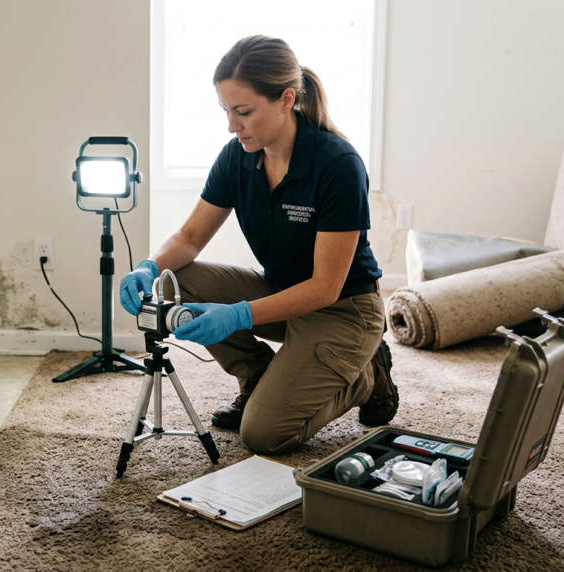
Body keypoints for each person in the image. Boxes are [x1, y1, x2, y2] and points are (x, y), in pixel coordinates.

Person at [119, 35, 398, 456]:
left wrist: (238, 315)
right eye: (227, 111)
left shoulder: (337, 165)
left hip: (342, 311)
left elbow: (325, 287)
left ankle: (367, 377)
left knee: (264, 435)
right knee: (182, 280)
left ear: (287, 99)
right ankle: (257, 378)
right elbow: (190, 238)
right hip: (283, 294)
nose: (233, 125)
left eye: (244, 112)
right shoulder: (237, 157)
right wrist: (148, 267)